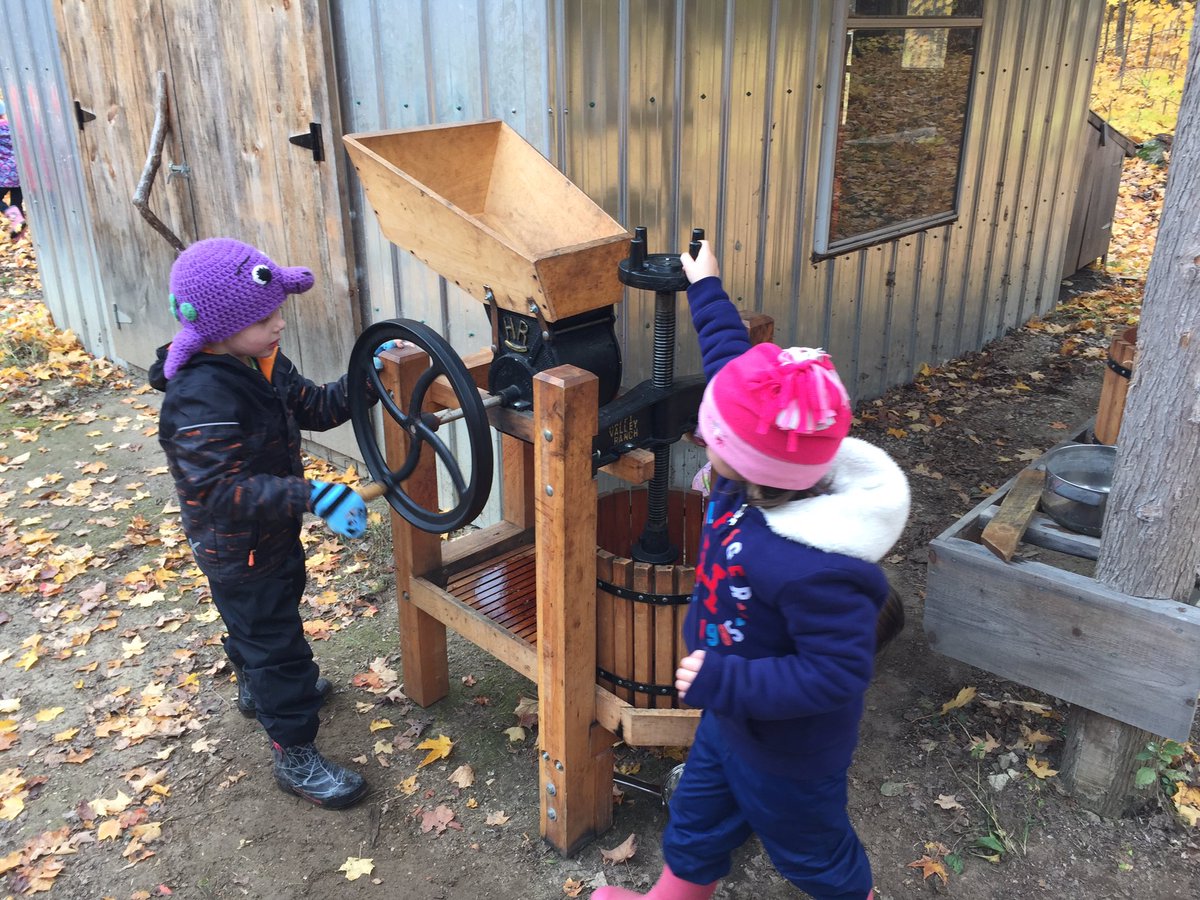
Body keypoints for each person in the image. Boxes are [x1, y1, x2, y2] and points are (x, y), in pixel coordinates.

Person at [595, 241, 909, 900]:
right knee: (697, 823)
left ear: (747, 459)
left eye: (712, 435)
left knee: (815, 856)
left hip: (788, 750)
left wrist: (728, 678)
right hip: (728, 718)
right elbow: (734, 368)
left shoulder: (816, 565)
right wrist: (704, 286)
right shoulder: (755, 476)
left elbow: (838, 671)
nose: (704, 438)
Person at [149, 237, 382, 809]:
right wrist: (314, 495)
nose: (279, 324)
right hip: (237, 548)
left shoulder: (261, 362)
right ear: (220, 327)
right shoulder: (198, 397)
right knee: (279, 647)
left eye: (278, 310)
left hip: (271, 537)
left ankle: (255, 682)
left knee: (268, 617)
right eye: (263, 317)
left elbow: (315, 407)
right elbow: (220, 491)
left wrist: (364, 384)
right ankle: (294, 753)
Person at [0, 101, 25, 234]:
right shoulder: (13, 127)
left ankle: (16, 220)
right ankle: (18, 230)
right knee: (16, 202)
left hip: (4, 174)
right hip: (20, 171)